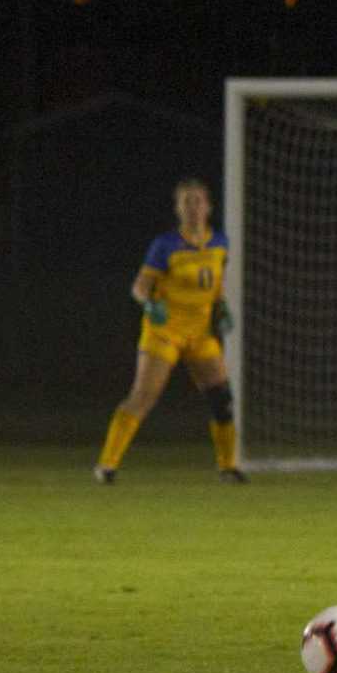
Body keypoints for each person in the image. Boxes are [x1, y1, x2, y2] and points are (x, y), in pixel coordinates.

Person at [93, 178, 243, 484]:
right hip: (165, 332)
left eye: (198, 201)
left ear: (208, 207)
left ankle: (228, 467)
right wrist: (150, 304)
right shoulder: (165, 245)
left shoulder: (220, 243)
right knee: (143, 397)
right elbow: (139, 287)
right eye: (186, 202)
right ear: (178, 209)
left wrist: (222, 307)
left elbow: (216, 283)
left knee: (222, 399)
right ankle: (106, 466)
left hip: (200, 333)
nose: (193, 208)